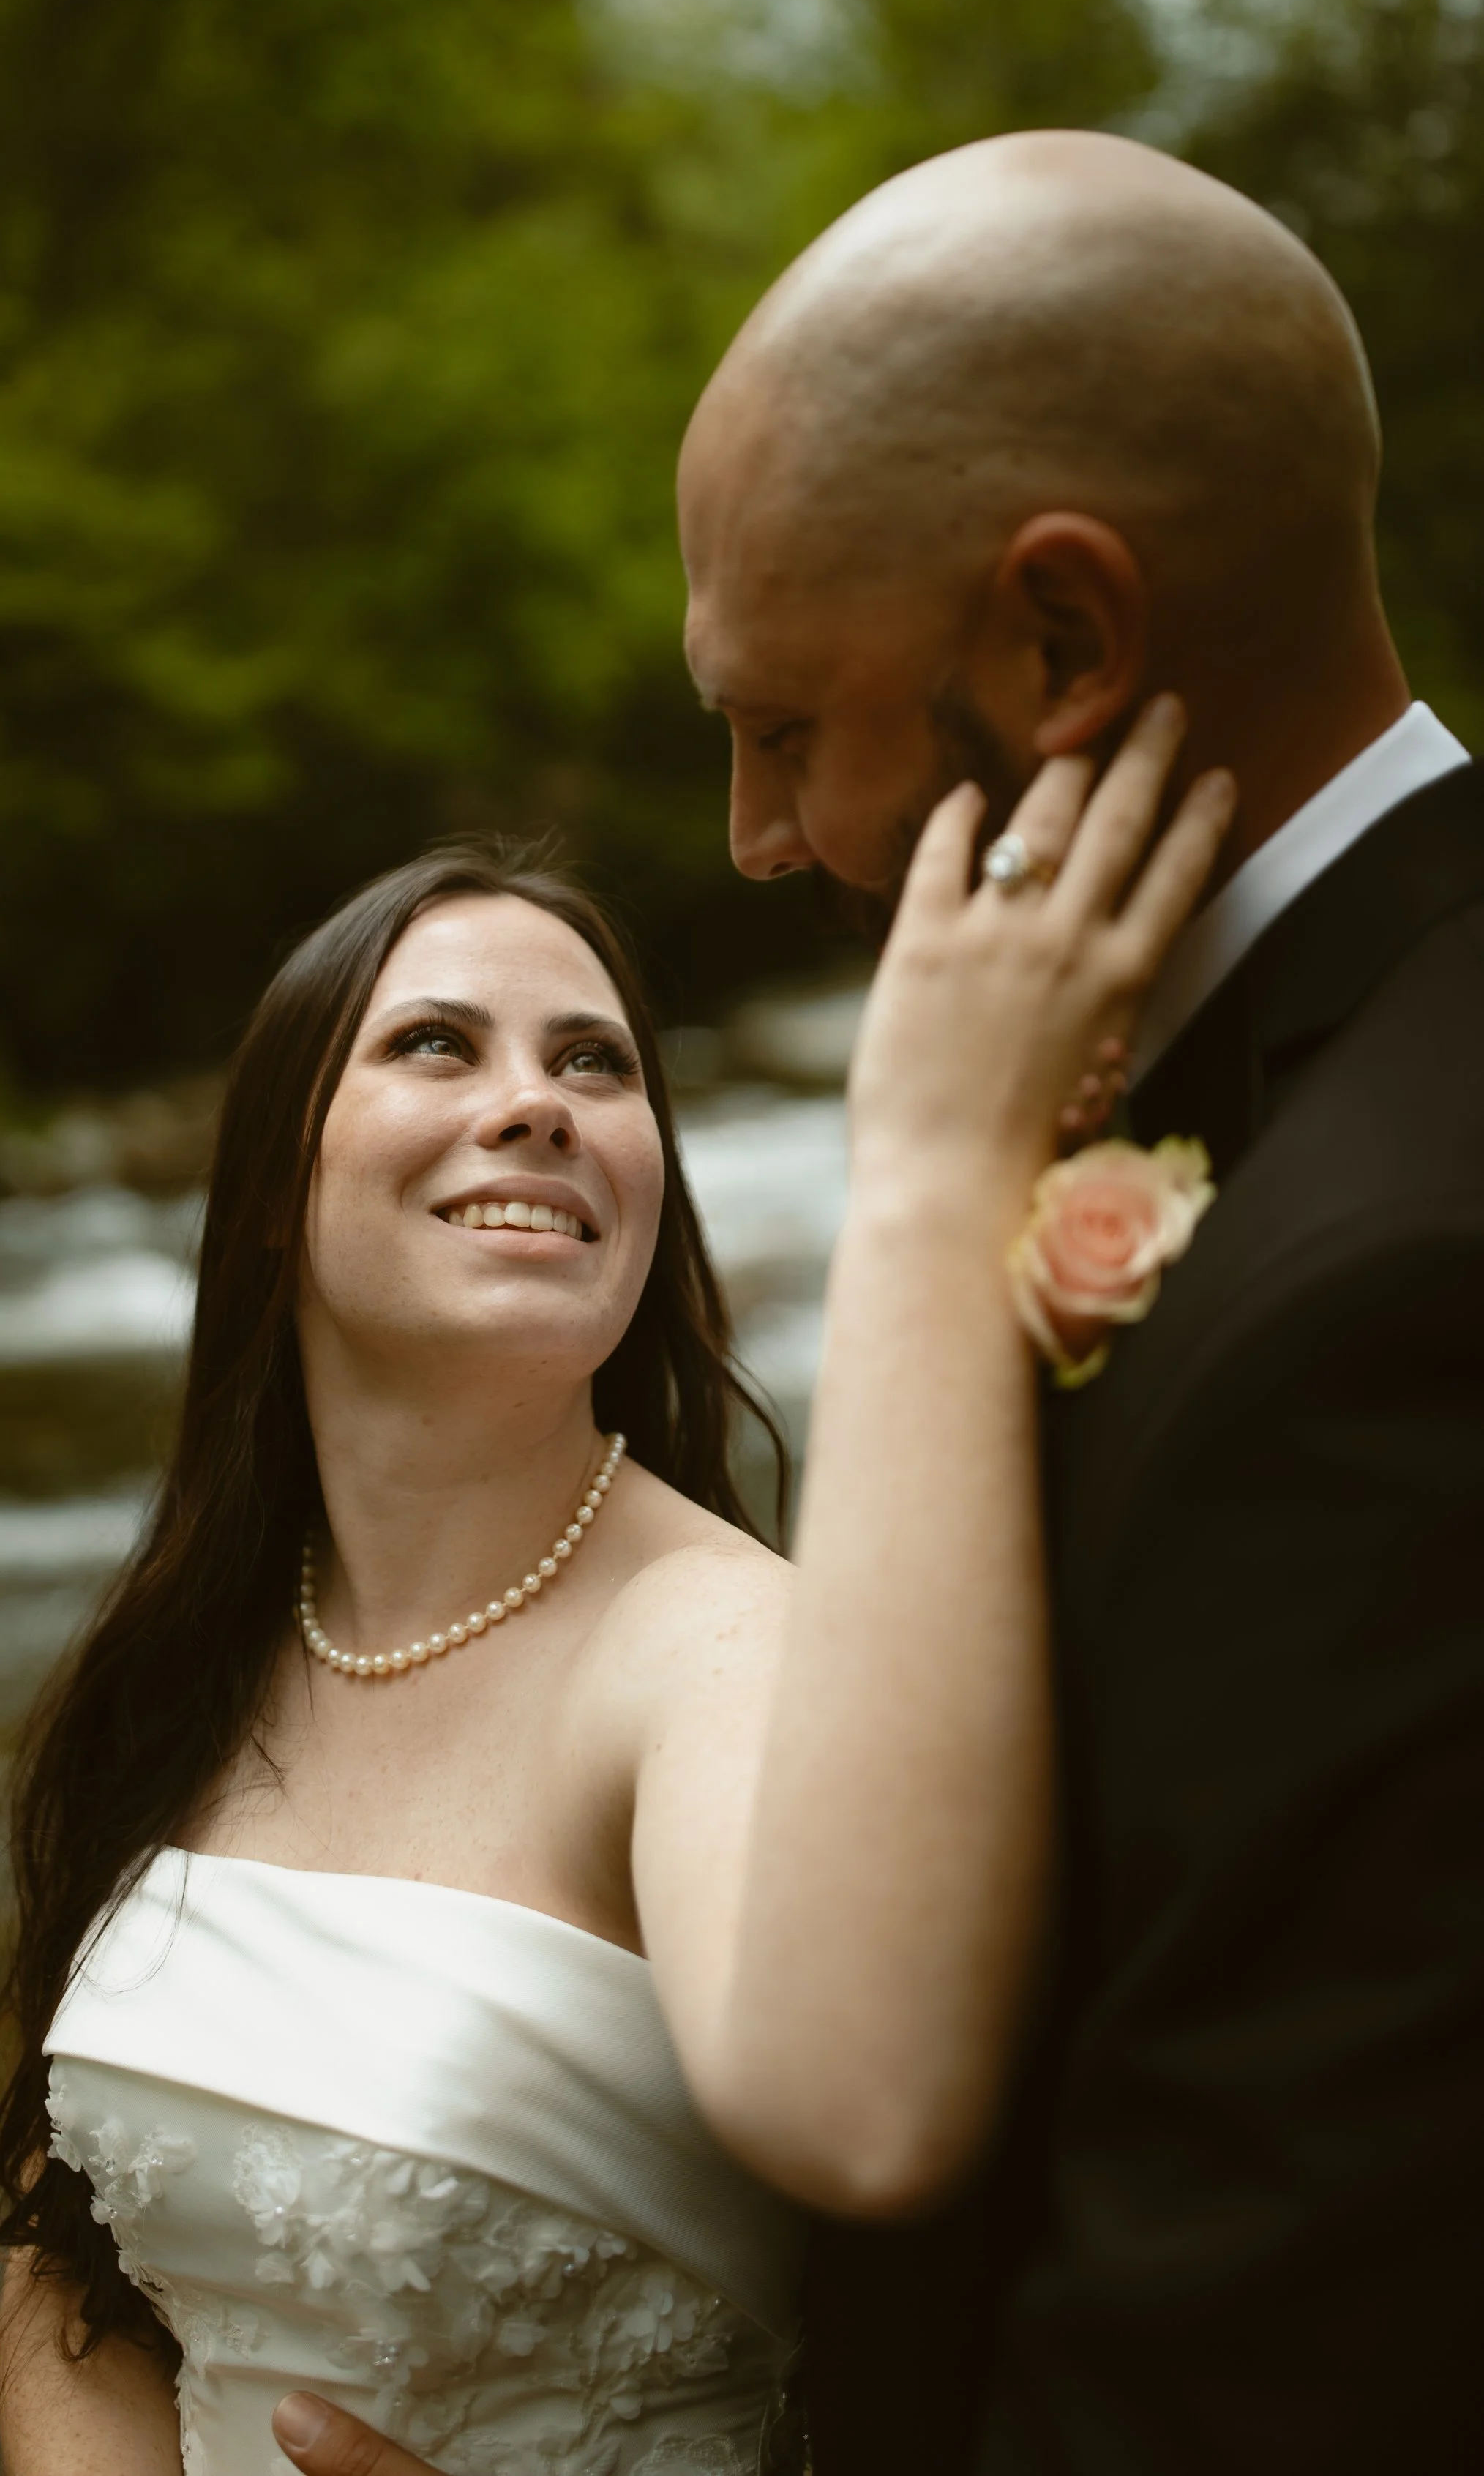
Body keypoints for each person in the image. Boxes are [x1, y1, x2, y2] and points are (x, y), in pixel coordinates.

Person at [276, 127, 1484, 2476]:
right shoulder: (1224, 1092)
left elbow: (1274, 2346)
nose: (745, 837)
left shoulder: (1399, 1282)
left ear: (1060, 639)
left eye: (778, 724)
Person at [0, 730, 1229, 2474]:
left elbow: (880, 2165)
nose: (537, 1100)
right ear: (267, 1190)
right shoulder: (183, 1658)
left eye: (593, 1063)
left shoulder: (718, 1660)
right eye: (433, 1045)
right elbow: (66, 2268)